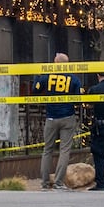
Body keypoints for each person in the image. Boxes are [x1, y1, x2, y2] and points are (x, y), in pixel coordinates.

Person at [36, 53, 82, 190]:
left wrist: (36, 77)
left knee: (47, 150)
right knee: (64, 150)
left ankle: (44, 183)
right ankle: (58, 182)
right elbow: (78, 99)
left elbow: (36, 90)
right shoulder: (73, 79)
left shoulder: (47, 76)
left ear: (55, 63)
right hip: (67, 117)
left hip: (51, 117)